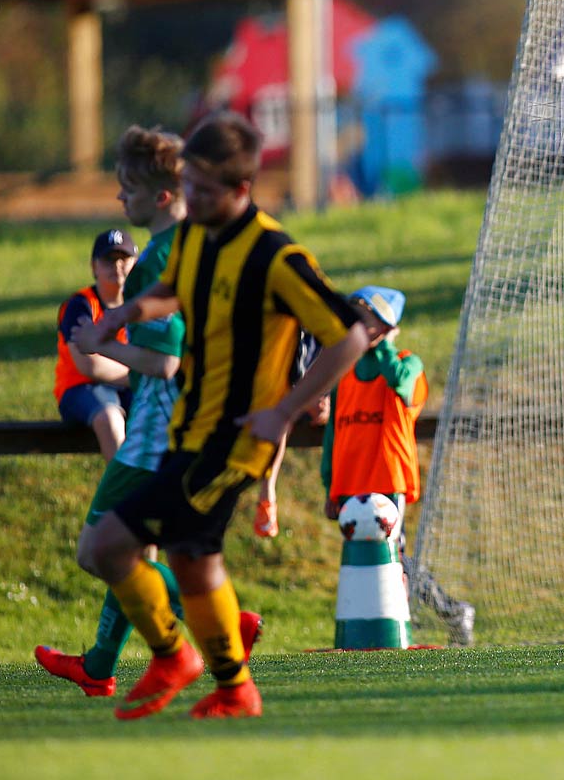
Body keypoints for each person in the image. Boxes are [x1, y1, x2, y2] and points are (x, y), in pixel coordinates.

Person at [75, 112, 377, 719]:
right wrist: (120, 317)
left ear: (242, 190)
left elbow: (350, 337)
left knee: (109, 545)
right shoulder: (194, 238)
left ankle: (173, 656)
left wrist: (286, 411)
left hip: (237, 440)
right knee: (193, 559)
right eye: (190, 188)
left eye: (207, 192)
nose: (194, 200)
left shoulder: (275, 255)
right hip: (189, 431)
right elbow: (172, 292)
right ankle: (234, 688)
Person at [38, 126, 260, 698]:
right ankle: (101, 664)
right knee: (127, 550)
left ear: (161, 195)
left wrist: (98, 342)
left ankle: (219, 621)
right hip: (194, 419)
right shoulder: (198, 242)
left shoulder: (159, 258)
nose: (120, 199)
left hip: (158, 426)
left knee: (97, 550)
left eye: (128, 187)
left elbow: (162, 365)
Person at [320, 285, 428, 559]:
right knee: (356, 559)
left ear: (386, 326)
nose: (353, 327)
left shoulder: (408, 363)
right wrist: (330, 486)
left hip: (388, 483)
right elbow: (333, 434)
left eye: (363, 321)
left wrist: (386, 346)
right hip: (349, 485)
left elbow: (399, 380)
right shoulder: (344, 372)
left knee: (391, 556)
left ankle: (419, 596)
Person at [54, 229, 138, 460]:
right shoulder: (80, 305)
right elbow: (90, 366)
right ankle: (122, 493)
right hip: (80, 388)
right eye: (108, 260)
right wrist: (140, 372)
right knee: (110, 419)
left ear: (136, 263)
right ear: (94, 267)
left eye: (124, 258)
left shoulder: (144, 305)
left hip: (129, 388)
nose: (117, 266)